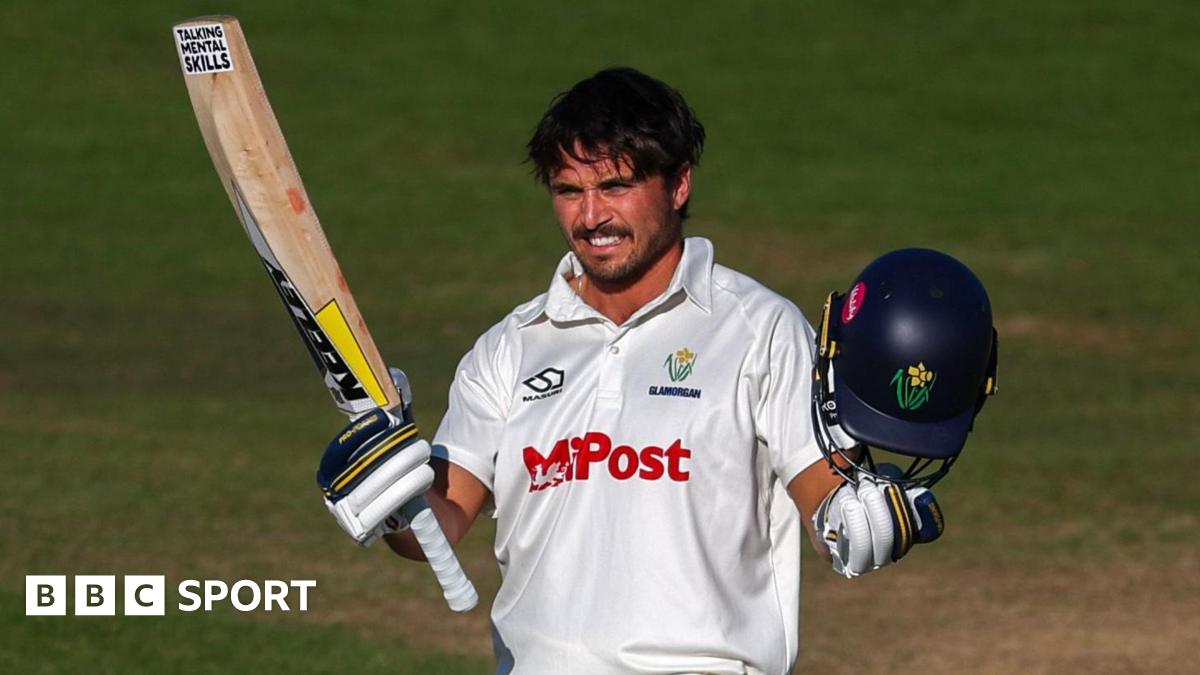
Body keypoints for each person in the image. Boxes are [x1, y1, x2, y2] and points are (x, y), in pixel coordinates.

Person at [316, 67, 977, 675]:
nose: (590, 217)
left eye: (615, 186)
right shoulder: (508, 349)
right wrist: (395, 499)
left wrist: (865, 518)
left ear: (680, 182)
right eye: (568, 191)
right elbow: (444, 521)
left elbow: (827, 497)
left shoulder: (759, 329)